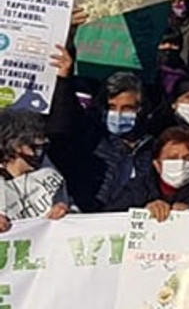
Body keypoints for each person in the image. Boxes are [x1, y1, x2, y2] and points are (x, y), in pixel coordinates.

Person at [48, 67, 155, 213]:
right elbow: (64, 117)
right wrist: (64, 78)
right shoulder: (90, 138)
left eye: (127, 108)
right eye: (112, 107)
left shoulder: (152, 147)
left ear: (141, 109)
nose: (118, 113)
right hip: (86, 219)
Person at [108, 127, 189, 220]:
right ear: (157, 165)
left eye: (188, 158)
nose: (181, 163)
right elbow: (109, 219)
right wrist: (143, 213)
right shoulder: (136, 189)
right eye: (172, 158)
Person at [0, 109, 69, 229]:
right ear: (15, 146)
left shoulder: (47, 171)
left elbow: (67, 204)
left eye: (44, 147)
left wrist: (65, 211)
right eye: (36, 147)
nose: (39, 153)